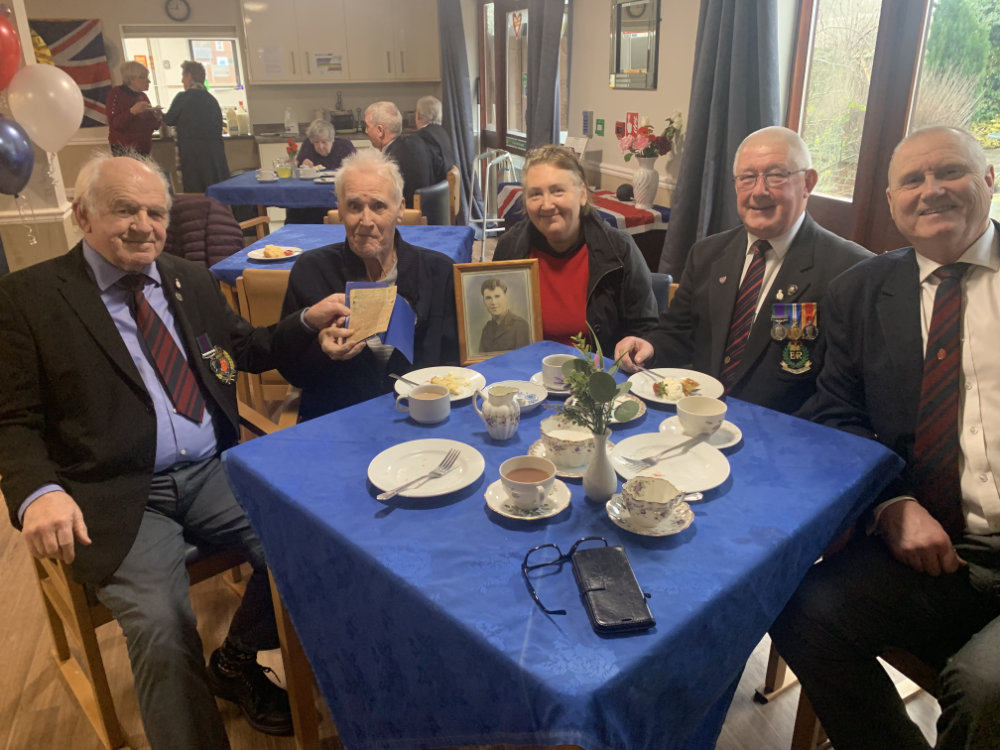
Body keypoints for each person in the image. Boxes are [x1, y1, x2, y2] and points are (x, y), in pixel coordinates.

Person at [0, 154, 347, 749]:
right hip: (114, 493)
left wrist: (305, 322)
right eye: (124, 209)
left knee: (306, 548)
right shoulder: (29, 299)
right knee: (163, 623)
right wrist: (38, 492)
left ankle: (235, 661)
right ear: (82, 215)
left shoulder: (188, 277)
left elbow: (246, 349)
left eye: (155, 211)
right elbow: (13, 418)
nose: (143, 225)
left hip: (213, 470)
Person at [771, 126, 1000, 750]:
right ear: (893, 199)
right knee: (798, 613)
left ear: (987, 179)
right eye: (912, 180)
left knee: (985, 688)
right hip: (935, 546)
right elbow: (836, 412)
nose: (931, 191)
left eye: (949, 172)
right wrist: (890, 504)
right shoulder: (861, 293)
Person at [615, 126, 871, 414]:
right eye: (747, 177)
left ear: (807, 183)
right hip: (698, 419)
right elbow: (678, 333)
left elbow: (845, 393)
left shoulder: (852, 271)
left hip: (785, 438)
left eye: (776, 175)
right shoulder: (708, 254)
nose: (759, 191)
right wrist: (649, 345)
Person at [277, 148, 459, 420]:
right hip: (340, 423)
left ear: (400, 209)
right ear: (339, 209)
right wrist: (320, 348)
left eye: (378, 206)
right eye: (354, 206)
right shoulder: (311, 271)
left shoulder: (439, 271)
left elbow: (456, 363)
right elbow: (291, 371)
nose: (366, 221)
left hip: (420, 419)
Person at [492, 144, 658, 354]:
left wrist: (636, 346)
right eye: (535, 194)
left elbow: (646, 329)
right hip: (524, 377)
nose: (547, 204)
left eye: (557, 191)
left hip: (595, 379)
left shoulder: (619, 250)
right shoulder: (509, 248)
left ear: (582, 194)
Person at [162, 61, 229, 193]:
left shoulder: (183, 98)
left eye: (183, 76)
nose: (182, 80)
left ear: (189, 76)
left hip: (192, 156)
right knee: (215, 192)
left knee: (196, 193)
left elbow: (169, 120)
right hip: (215, 155)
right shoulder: (211, 99)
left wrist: (156, 114)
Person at [364, 100, 436, 207]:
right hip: (428, 212)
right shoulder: (418, 143)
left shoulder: (389, 162)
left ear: (380, 130)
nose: (366, 131)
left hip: (404, 218)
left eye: (367, 126)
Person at [286, 118, 357, 225]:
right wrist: (302, 165)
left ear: (332, 139)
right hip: (311, 196)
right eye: (316, 142)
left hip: (336, 196)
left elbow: (357, 171)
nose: (320, 146)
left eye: (324, 142)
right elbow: (298, 170)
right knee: (294, 209)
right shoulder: (307, 146)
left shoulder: (345, 147)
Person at [106, 60, 162, 156]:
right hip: (124, 148)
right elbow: (115, 124)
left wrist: (157, 117)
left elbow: (153, 127)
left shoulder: (143, 96)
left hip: (144, 149)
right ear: (132, 79)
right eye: (143, 77)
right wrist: (132, 111)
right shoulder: (116, 93)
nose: (149, 81)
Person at [478, 277, 530, 354]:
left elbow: (523, 358)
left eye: (497, 296)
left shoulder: (520, 326)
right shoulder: (486, 329)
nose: (493, 302)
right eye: (488, 298)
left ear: (506, 298)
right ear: (484, 302)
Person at [414, 95, 455, 183]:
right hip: (443, 190)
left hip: (432, 192)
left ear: (418, 115)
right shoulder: (443, 133)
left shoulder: (421, 137)